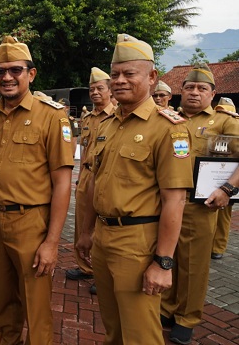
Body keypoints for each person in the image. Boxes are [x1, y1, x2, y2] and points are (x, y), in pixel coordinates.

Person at [77, 34, 193, 345]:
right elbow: (93, 182)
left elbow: (175, 200)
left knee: (141, 334)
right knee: (113, 329)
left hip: (137, 245)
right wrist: (86, 232)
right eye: (115, 74)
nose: (120, 81)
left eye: (130, 74)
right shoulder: (107, 124)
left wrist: (163, 262)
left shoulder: (168, 128)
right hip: (103, 238)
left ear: (152, 77)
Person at [0, 36, 74, 344]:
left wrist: (52, 243)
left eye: (15, 70)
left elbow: (63, 182)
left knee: (35, 304)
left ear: (31, 74)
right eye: (0, 71)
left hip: (32, 223)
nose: (6, 77)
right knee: (1, 298)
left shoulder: (52, 116)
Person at [160, 64, 239, 344]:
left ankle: (187, 317)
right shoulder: (167, 119)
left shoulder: (225, 122)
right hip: (165, 204)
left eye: (201, 88)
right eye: (189, 88)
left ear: (213, 94)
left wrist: (228, 189)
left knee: (194, 265)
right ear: (180, 92)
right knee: (166, 258)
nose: (194, 92)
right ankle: (167, 308)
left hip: (200, 206)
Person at [65, 67, 115, 296]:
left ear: (110, 90)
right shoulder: (88, 118)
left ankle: (99, 270)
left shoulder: (116, 116)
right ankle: (84, 266)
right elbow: (84, 149)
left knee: (99, 225)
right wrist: (80, 177)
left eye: (100, 89)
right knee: (81, 222)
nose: (95, 93)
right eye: (92, 89)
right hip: (86, 174)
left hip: (105, 177)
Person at [211, 97, 238, 259]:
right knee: (224, 215)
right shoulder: (233, 121)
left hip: (215, 175)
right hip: (227, 176)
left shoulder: (214, 120)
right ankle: (218, 248)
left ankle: (214, 246)